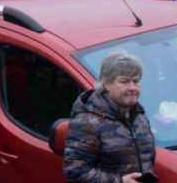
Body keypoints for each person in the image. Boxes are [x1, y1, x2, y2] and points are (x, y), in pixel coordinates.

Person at [63, 52, 155, 183]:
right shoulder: (87, 122)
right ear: (106, 84)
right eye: (124, 81)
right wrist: (119, 181)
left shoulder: (139, 116)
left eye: (136, 81)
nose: (132, 87)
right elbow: (74, 172)